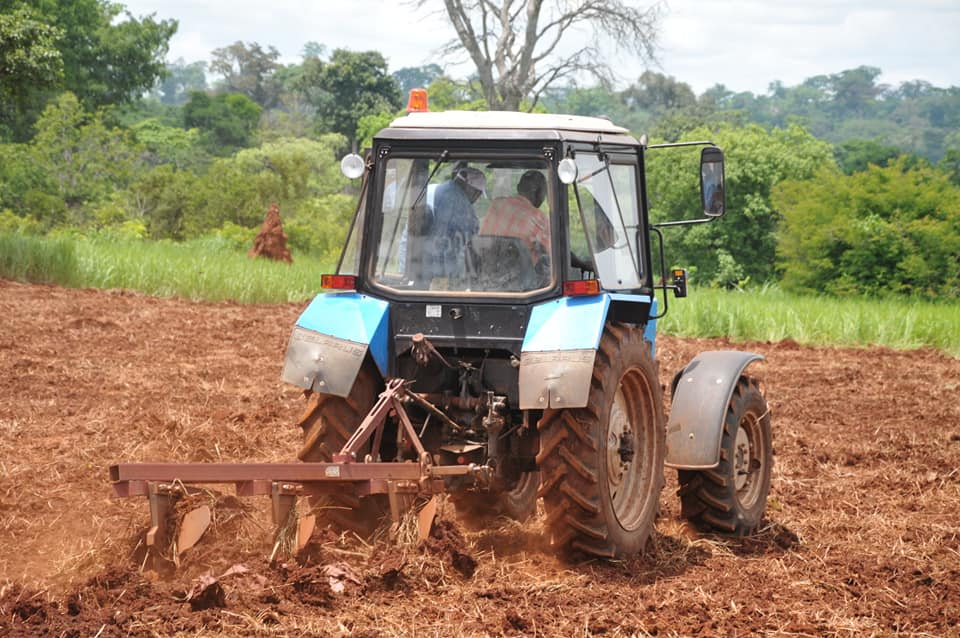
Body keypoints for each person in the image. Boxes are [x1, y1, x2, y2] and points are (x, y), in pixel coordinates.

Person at [423, 165, 486, 281]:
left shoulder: (430, 189)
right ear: (471, 188)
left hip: (414, 267)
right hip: (438, 277)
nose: (478, 198)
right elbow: (462, 253)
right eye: (478, 194)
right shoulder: (465, 211)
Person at [480, 170, 550, 266]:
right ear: (539, 192)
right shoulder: (537, 217)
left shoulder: (496, 204)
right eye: (545, 193)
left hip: (485, 271)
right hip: (518, 278)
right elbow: (554, 251)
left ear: (518, 187)